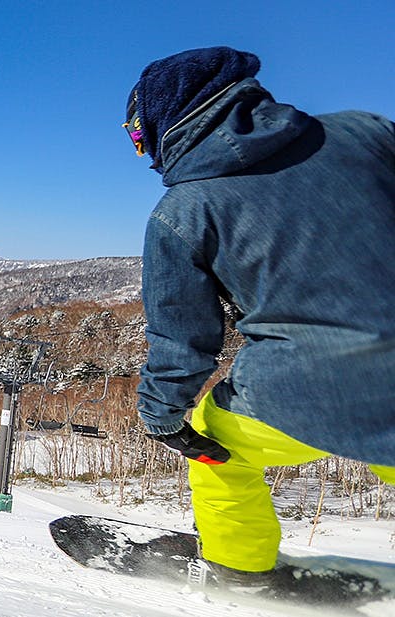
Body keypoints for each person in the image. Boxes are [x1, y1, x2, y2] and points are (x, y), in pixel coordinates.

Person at [127, 46, 395, 592]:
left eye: (139, 141)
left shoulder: (184, 210)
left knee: (215, 450)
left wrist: (161, 417)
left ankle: (239, 573)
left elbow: (182, 339)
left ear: (163, 124)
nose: (146, 157)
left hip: (301, 389)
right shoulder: (367, 133)